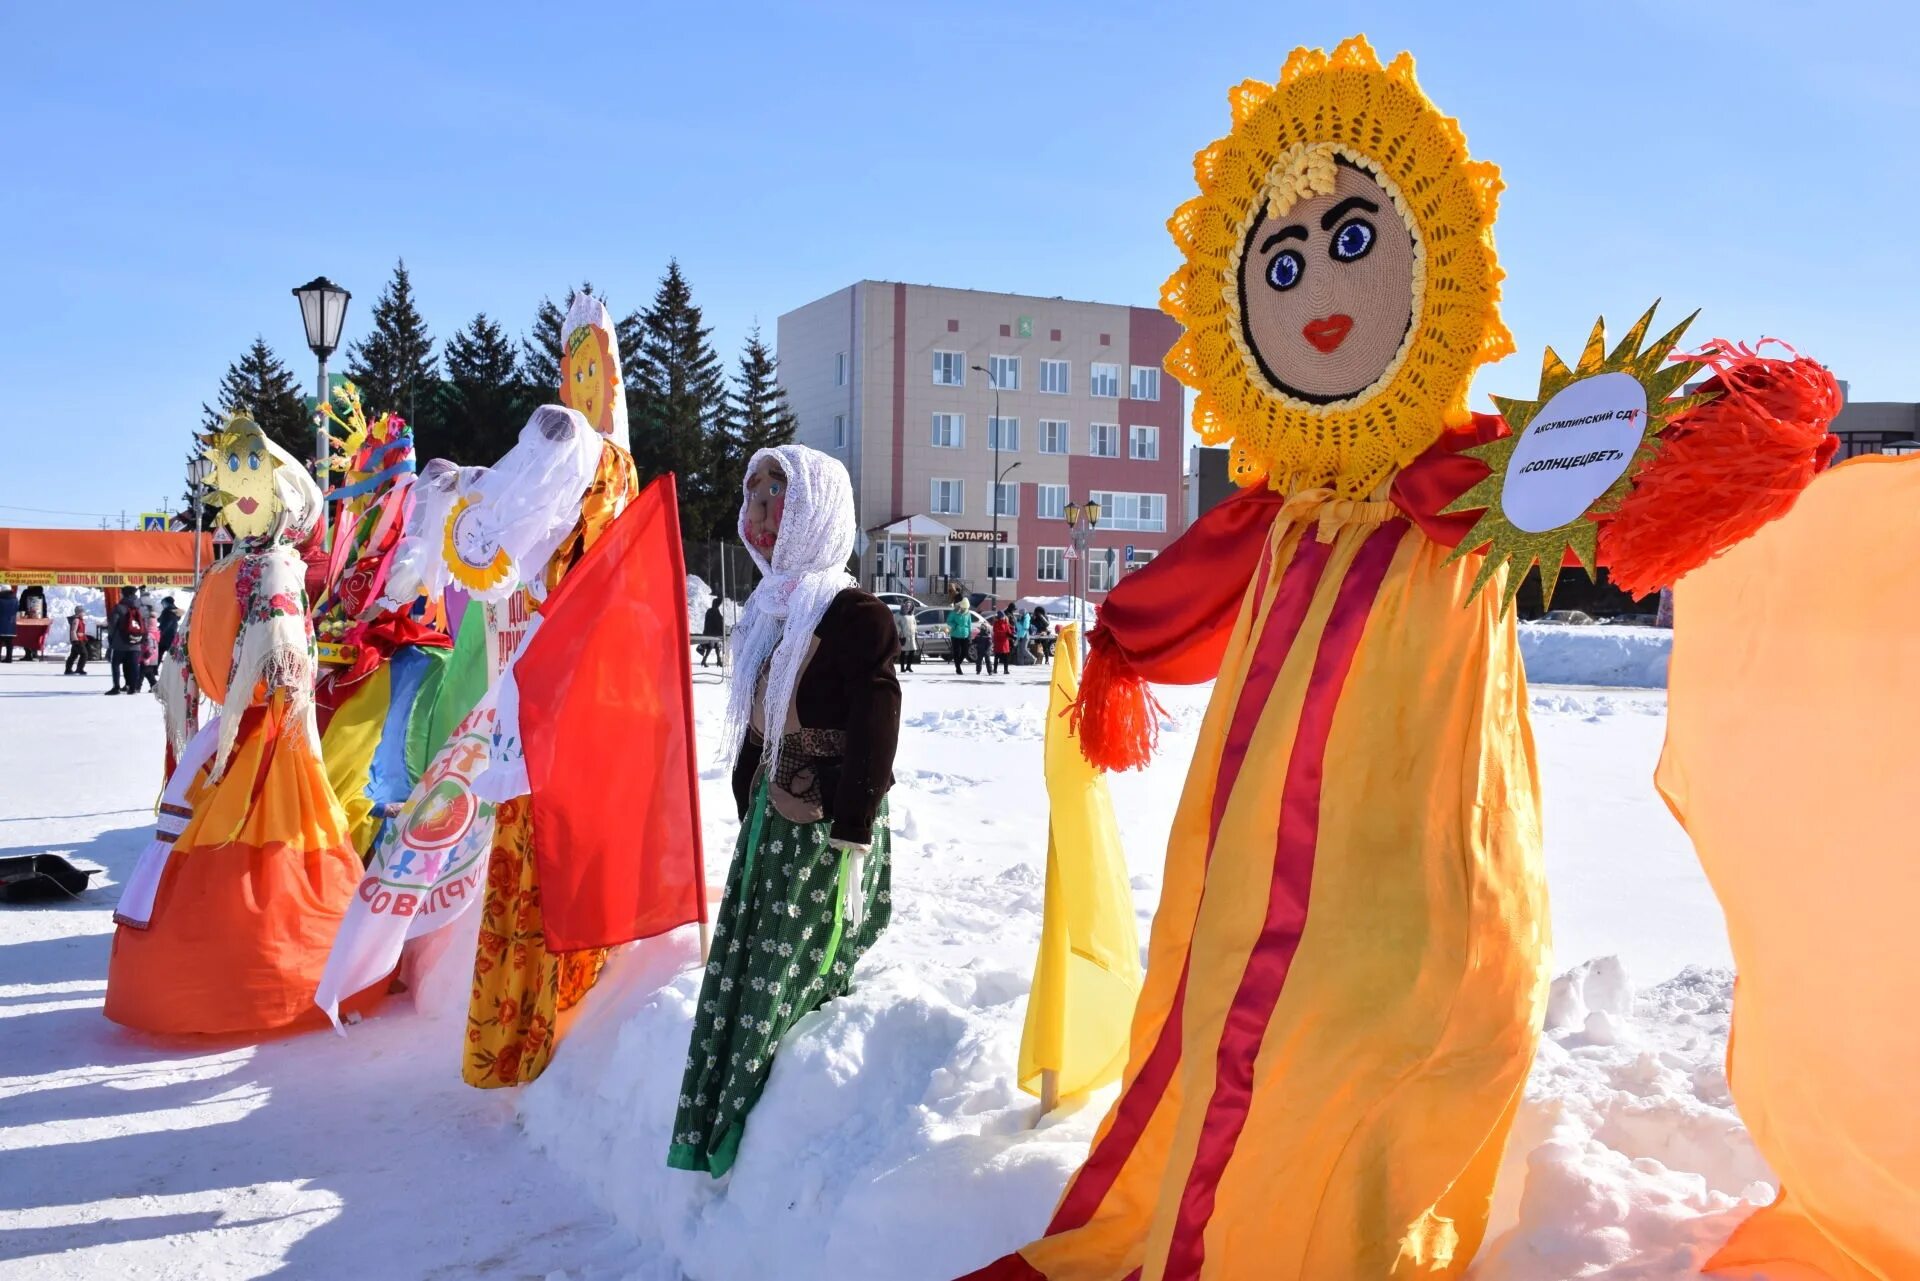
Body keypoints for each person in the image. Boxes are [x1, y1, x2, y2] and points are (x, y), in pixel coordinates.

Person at [669, 444, 899, 1178]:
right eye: (754, 494)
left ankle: (767, 1118)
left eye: (780, 494)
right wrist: (747, 805)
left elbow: (875, 721)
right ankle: (714, 1118)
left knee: (788, 973)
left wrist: (853, 828)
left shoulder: (855, 614)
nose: (762, 509)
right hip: (771, 827)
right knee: (742, 969)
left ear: (818, 509)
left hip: (825, 833)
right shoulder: (769, 612)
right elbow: (758, 727)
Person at [105, 414, 376, 1035]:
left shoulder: (260, 565)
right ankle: (259, 980)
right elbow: (245, 647)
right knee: (249, 842)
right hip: (250, 730)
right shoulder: (244, 567)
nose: (242, 493)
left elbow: (277, 646)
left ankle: (247, 977)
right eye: (232, 481)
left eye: (253, 475)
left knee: (257, 842)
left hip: (254, 732)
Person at [105, 586, 145, 694]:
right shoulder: (140, 607)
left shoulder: (119, 607)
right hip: (136, 642)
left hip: (120, 642)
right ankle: (132, 687)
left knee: (115, 664)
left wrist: (111, 638)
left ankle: (116, 687)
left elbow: (112, 625)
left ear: (124, 594)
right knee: (133, 665)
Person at [946, 601, 973, 675]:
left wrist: (970, 634)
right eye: (964, 608)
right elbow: (948, 621)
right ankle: (958, 668)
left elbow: (969, 624)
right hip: (955, 635)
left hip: (965, 635)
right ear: (961, 606)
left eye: (966, 608)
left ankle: (957, 663)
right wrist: (955, 625)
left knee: (964, 652)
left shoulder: (968, 613)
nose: (965, 609)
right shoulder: (954, 612)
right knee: (956, 652)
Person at [699, 600, 727, 667]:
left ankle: (718, 661)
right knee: (711, 646)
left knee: (716, 647)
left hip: (713, 633)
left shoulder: (714, 611)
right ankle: (705, 661)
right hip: (710, 633)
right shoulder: (712, 611)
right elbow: (716, 622)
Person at [139, 604, 161, 688]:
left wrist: (146, 657)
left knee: (140, 674)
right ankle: (155, 686)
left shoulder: (148, 635)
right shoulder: (155, 632)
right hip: (152, 658)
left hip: (147, 657)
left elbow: (150, 647)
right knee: (149, 673)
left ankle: (137, 687)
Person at [895, 604, 920, 673]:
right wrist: (899, 631)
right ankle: (902, 668)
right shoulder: (898, 615)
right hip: (903, 636)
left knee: (912, 651)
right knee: (903, 652)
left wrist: (915, 631)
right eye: (907, 605)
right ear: (903, 606)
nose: (908, 607)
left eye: (910, 606)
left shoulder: (912, 615)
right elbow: (895, 623)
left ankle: (908, 666)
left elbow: (914, 624)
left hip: (911, 636)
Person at [64, 608, 89, 675]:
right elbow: (73, 630)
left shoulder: (80, 620)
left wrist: (85, 638)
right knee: (84, 654)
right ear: (79, 613)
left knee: (73, 655)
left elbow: (81, 631)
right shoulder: (76, 620)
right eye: (82, 612)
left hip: (79, 640)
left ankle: (68, 669)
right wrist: (75, 640)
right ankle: (79, 669)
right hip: (77, 640)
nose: (83, 614)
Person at [990, 609, 1014, 675]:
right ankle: (997, 670)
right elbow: (997, 632)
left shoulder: (1004, 623)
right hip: (1000, 642)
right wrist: (1007, 634)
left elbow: (1008, 631)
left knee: (1002, 657)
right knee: (999, 657)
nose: (1003, 617)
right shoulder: (997, 623)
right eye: (1002, 616)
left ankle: (1003, 670)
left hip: (1003, 642)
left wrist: (1011, 635)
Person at [0, 585, 16, 663]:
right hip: (11, 624)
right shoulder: (15, 599)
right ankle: (9, 658)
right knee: (9, 643)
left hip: (1, 623)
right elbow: (17, 609)